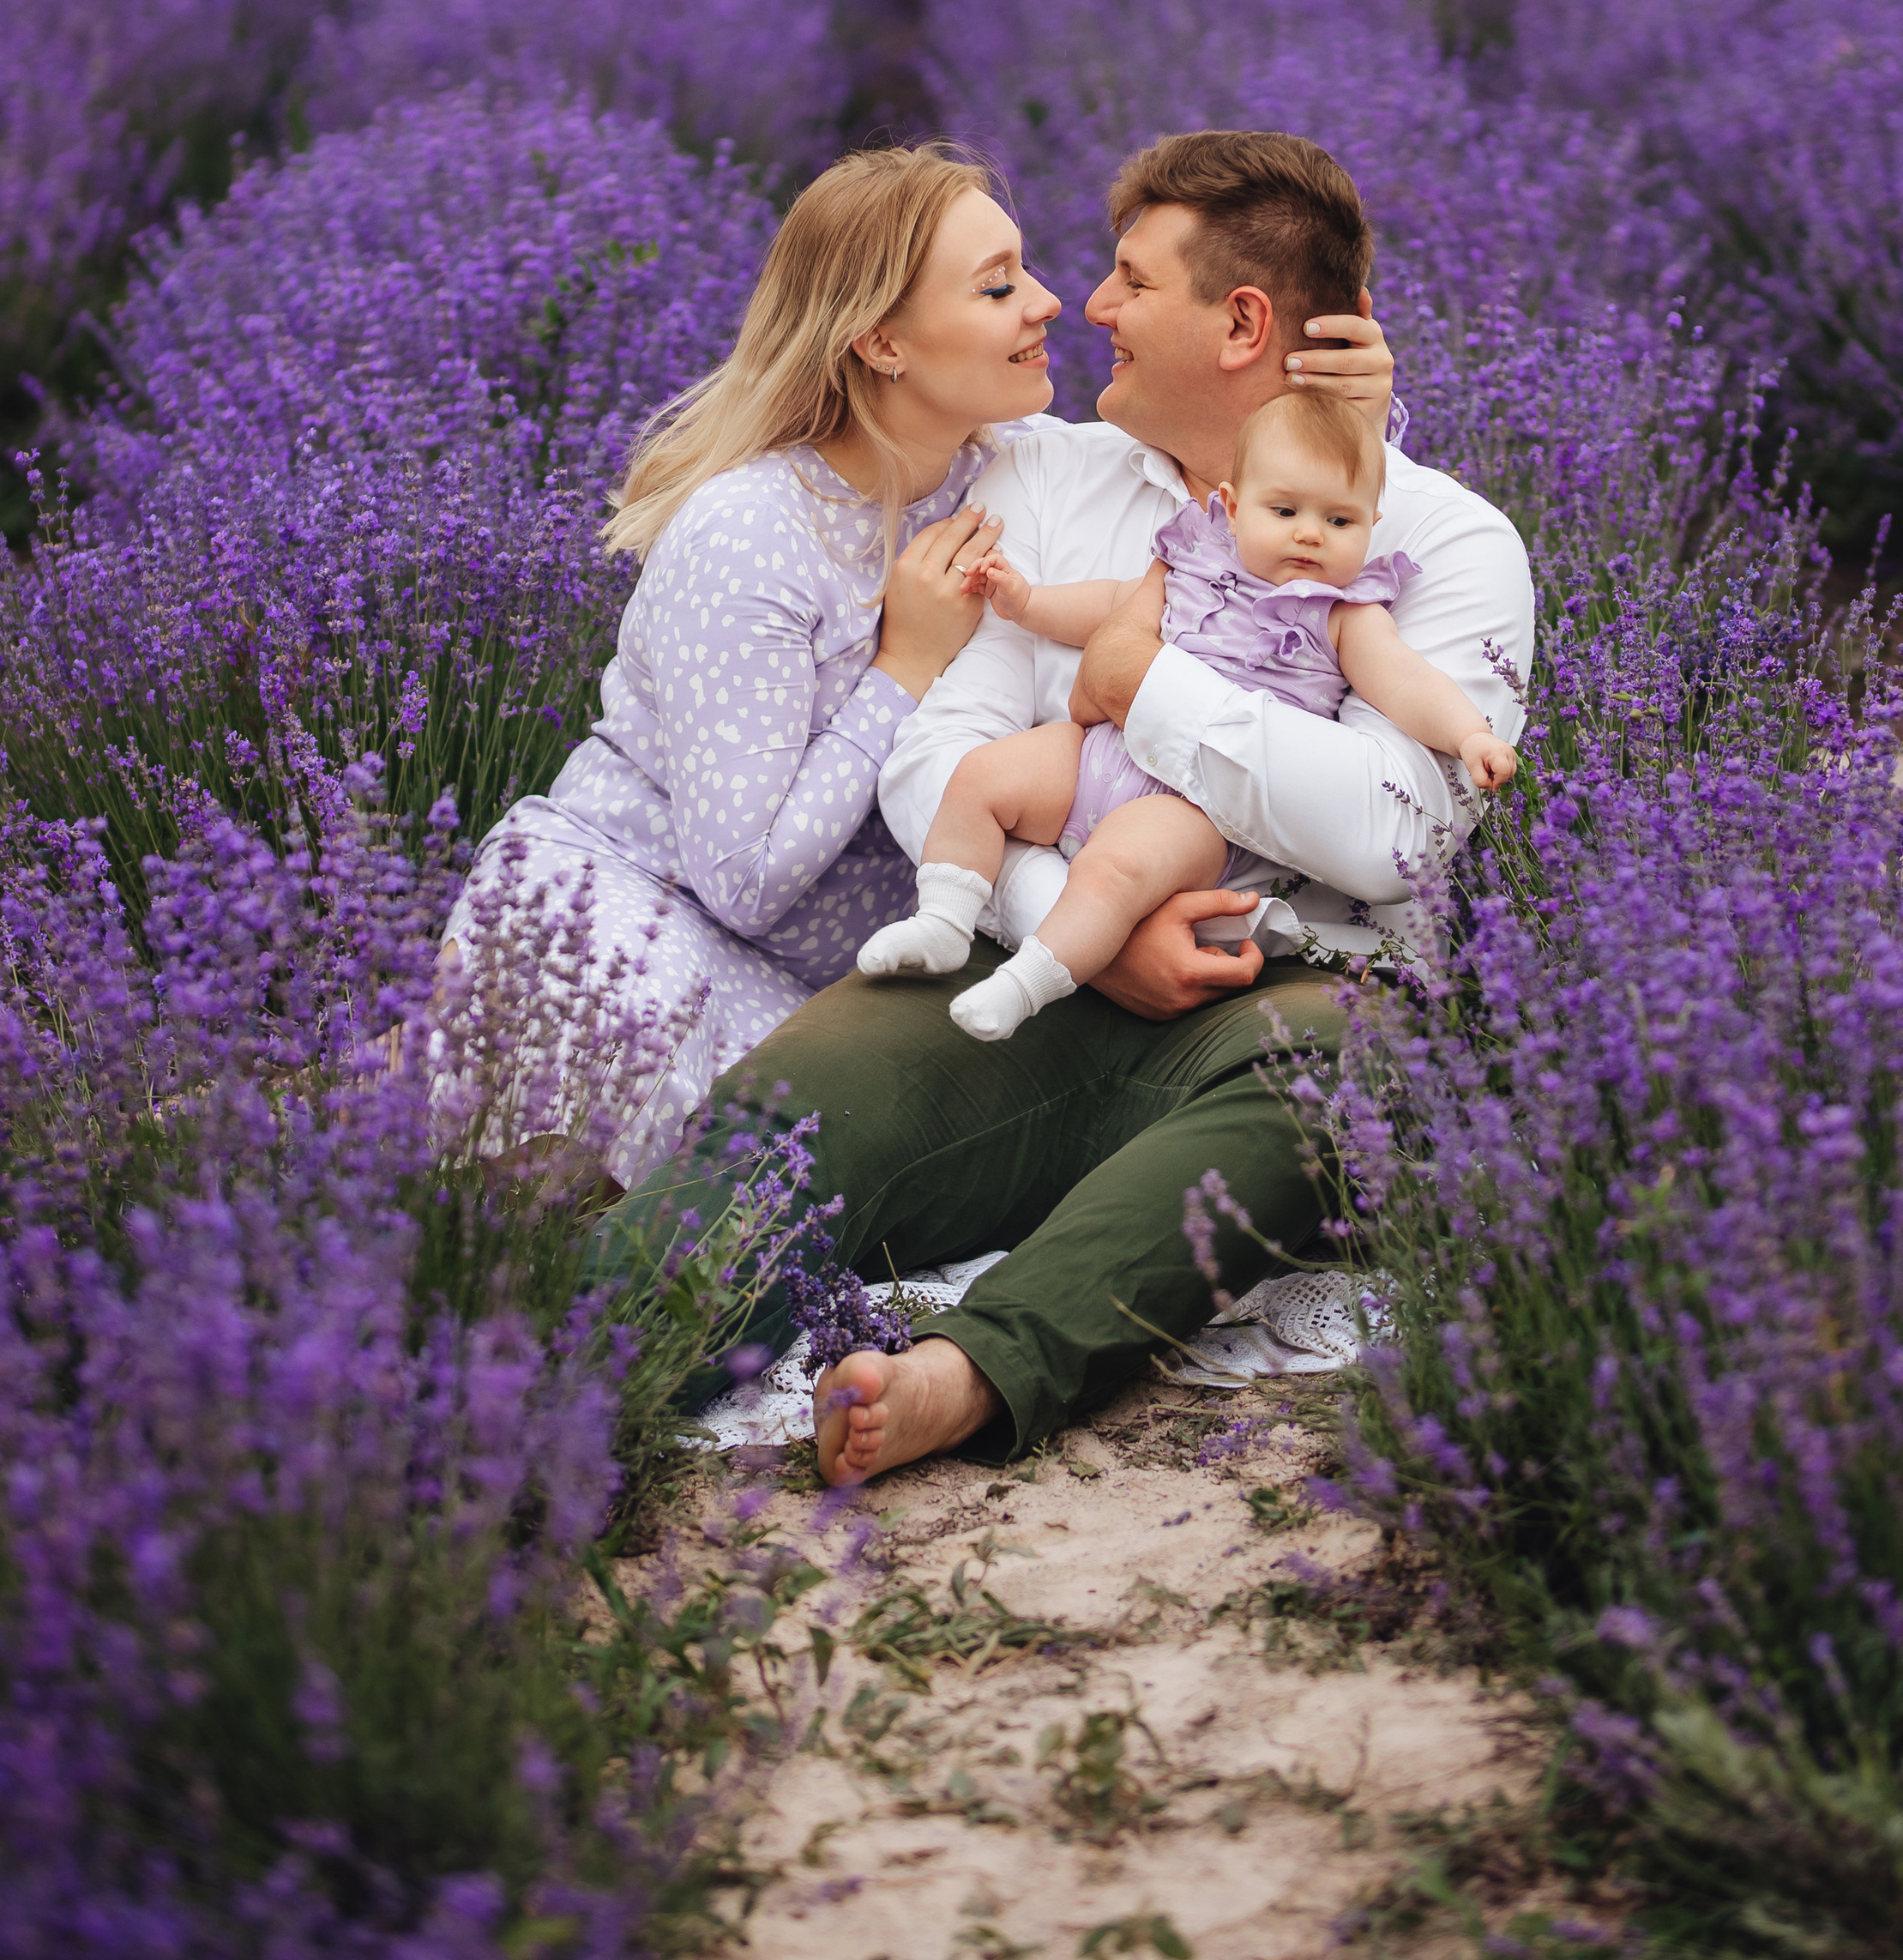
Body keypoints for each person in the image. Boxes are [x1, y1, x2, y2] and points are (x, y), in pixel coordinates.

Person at [585, 128, 1534, 1481]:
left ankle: (965, 1379)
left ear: (1245, 321)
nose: (1086, 308)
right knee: (793, 1116)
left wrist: (1144, 687)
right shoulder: (1050, 480)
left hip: (1291, 996)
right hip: (1019, 975)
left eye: (1131, 281)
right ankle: (509, 1384)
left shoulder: (1444, 543)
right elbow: (939, 754)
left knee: (1343, 1086)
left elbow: (1396, 834)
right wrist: (1072, 925)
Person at [439, 142, 1048, 1178]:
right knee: (620, 1101)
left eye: (1025, 269)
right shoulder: (756, 533)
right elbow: (744, 880)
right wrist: (901, 669)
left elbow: (1250, 502)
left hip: (838, 977)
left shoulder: (1023, 469)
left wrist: (1349, 397)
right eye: (997, 287)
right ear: (882, 343)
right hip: (639, 906)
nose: (1045, 302)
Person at [862, 387, 1519, 1041]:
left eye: (1339, 522)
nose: (1310, 533)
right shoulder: (1194, 557)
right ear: (1232, 508)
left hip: (1192, 808)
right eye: (1284, 510)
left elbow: (1406, 682)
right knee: (980, 777)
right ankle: (945, 921)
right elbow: (1109, 604)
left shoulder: (1345, 615)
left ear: (1372, 524)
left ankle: (1025, 985)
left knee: (1109, 871)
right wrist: (1028, 603)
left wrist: (1468, 734)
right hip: (1100, 751)